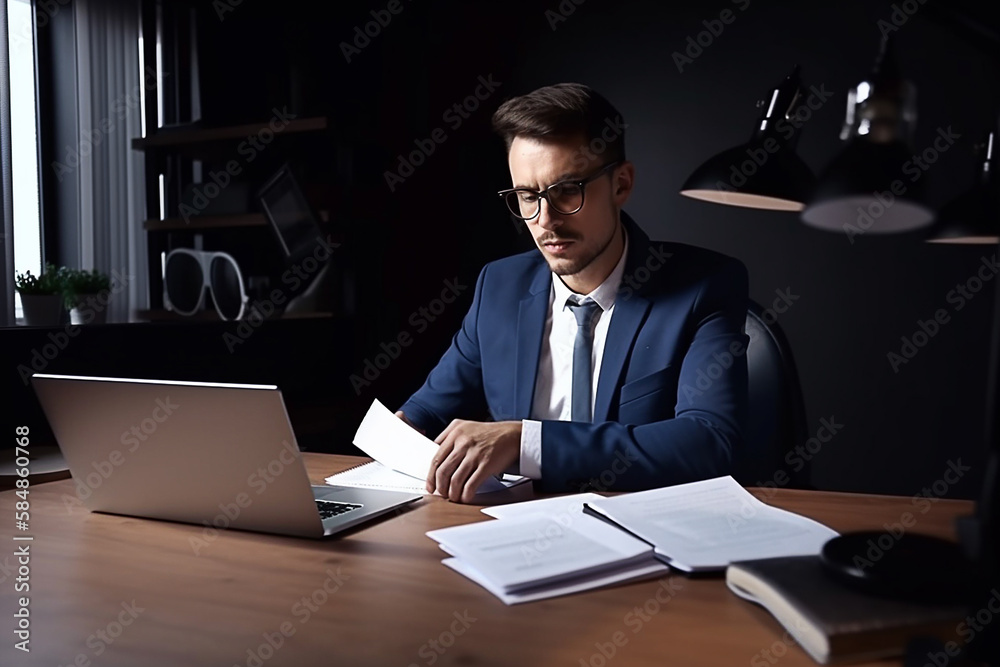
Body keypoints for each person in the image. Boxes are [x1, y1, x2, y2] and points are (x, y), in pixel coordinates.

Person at [396, 82, 749, 503]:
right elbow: (427, 412)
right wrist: (398, 440)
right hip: (510, 534)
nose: (545, 220)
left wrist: (527, 443)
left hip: (642, 533)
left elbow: (710, 442)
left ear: (621, 184)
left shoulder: (704, 286)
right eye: (526, 196)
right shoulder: (500, 287)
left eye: (566, 191)